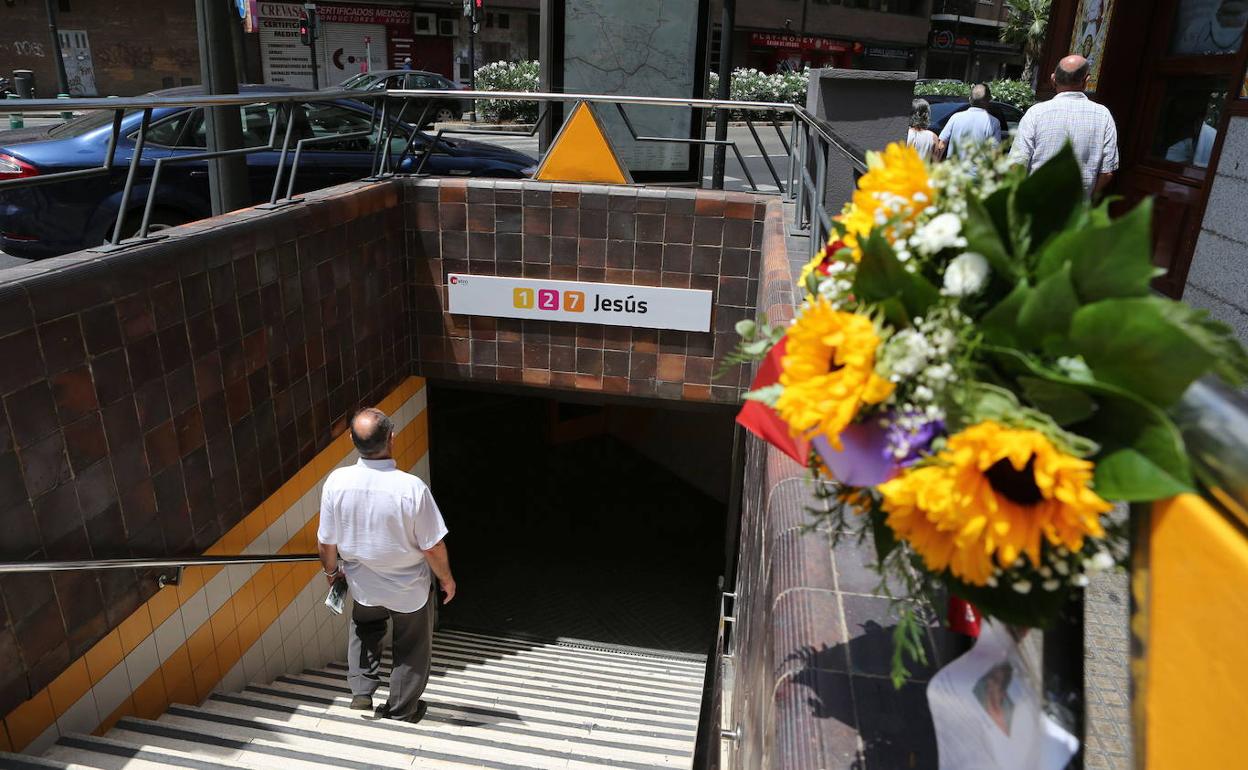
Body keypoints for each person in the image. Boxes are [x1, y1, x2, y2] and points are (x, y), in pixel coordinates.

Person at [317, 407, 455, 723]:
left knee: (364, 629)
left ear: (352, 440)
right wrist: (446, 580)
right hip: (409, 591)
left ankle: (362, 693)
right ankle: (402, 708)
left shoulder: (336, 482)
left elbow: (326, 541)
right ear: (391, 439)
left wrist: (330, 572)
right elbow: (432, 546)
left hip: (363, 585)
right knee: (410, 646)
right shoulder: (411, 489)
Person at [1009, 55, 1119, 198]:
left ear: (1053, 79)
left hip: (1036, 206)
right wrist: (1088, 199)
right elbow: (1107, 173)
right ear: (1086, 81)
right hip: (1076, 212)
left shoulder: (1036, 113)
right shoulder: (1103, 115)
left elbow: (1016, 165)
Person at [938, 83, 1002, 160]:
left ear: (970, 99)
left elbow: (942, 144)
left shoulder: (955, 117)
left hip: (954, 169)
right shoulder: (994, 122)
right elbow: (995, 153)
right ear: (988, 100)